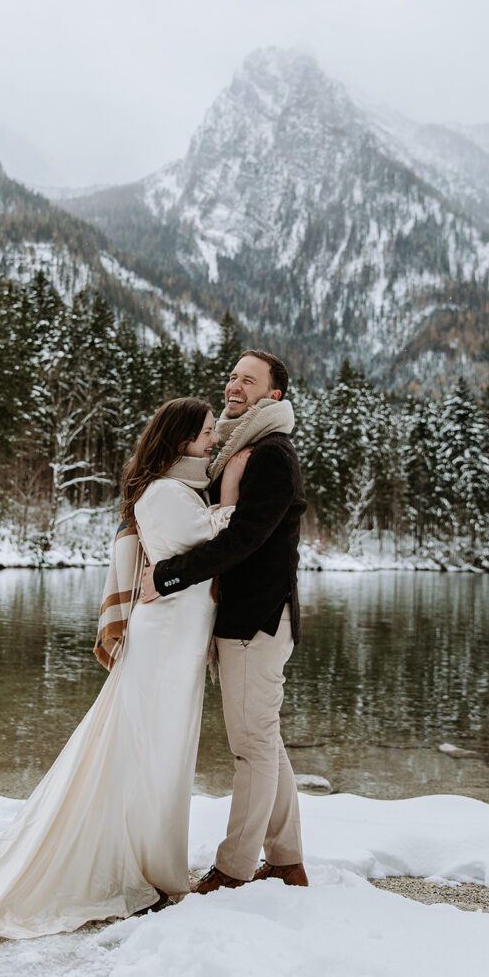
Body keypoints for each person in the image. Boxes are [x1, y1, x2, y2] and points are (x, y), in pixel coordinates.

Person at [0, 398, 249, 938]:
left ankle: (150, 856)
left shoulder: (182, 489)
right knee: (147, 751)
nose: (214, 440)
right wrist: (235, 496)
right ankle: (133, 861)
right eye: (209, 432)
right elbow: (209, 538)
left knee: (163, 753)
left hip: (179, 644)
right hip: (164, 643)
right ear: (180, 437)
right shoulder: (166, 493)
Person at [142, 351, 309, 893]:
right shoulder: (239, 451)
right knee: (266, 741)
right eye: (233, 376)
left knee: (252, 748)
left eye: (249, 380)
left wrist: (167, 576)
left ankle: (234, 870)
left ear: (273, 396)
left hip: (254, 623)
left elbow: (242, 540)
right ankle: (286, 862)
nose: (235, 385)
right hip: (246, 620)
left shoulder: (271, 456)